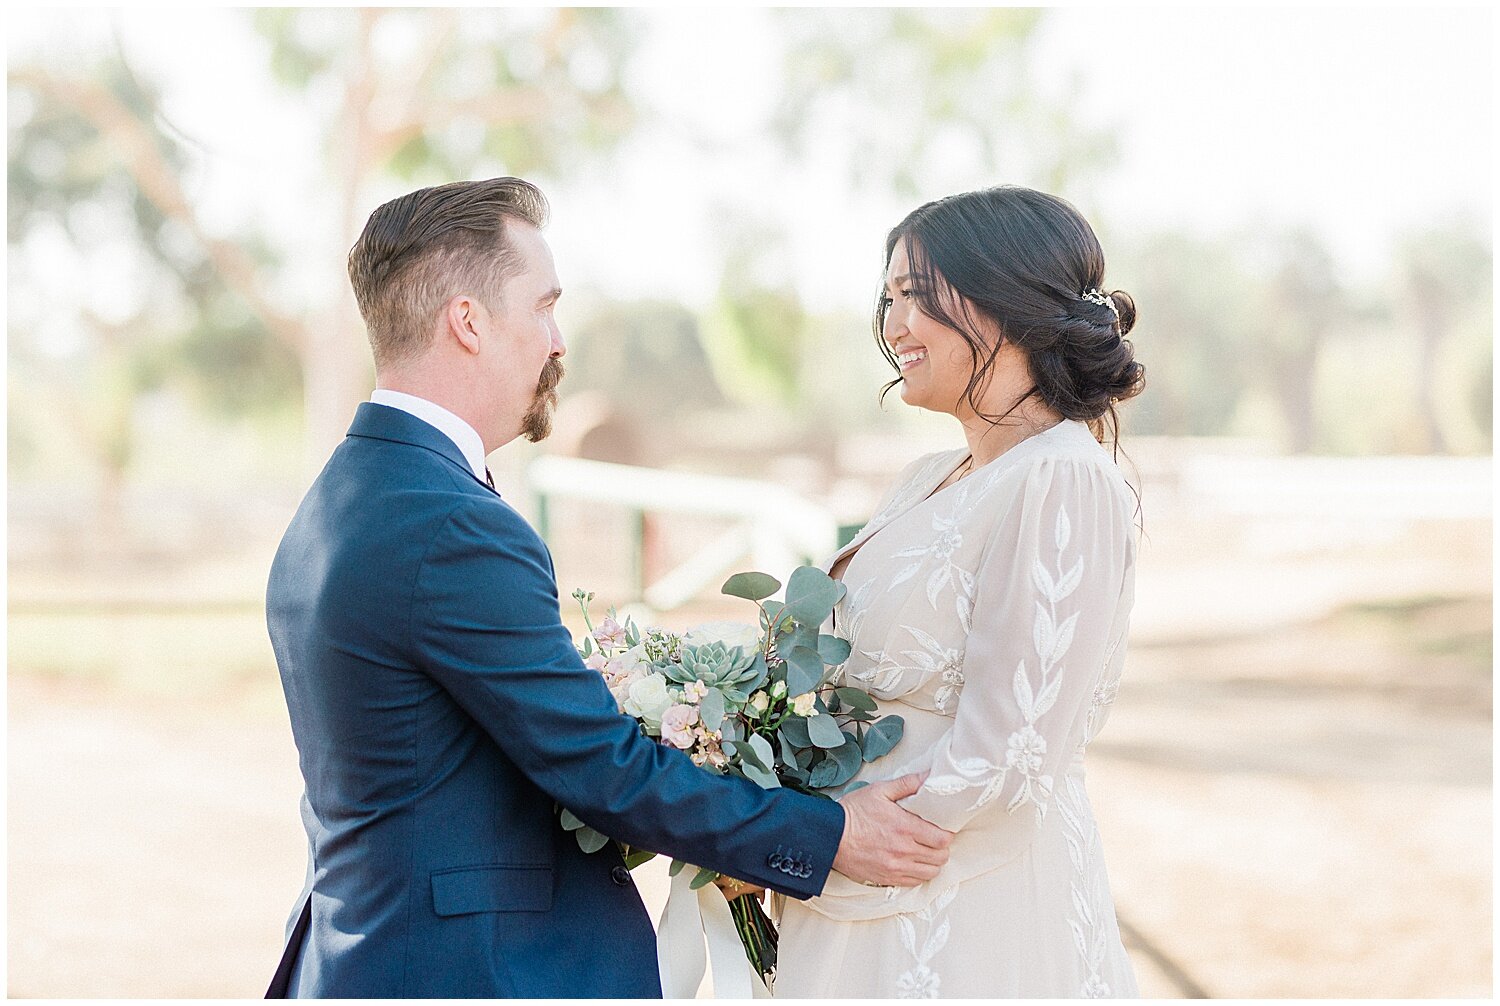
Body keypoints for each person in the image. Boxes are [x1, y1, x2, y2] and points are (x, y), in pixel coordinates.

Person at [264, 177, 953, 998]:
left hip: (370, 949)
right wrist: (826, 832)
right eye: (544, 307)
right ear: (469, 322)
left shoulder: (344, 497)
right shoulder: (449, 523)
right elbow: (601, 770)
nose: (558, 342)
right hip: (466, 970)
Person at [773, 185, 1146, 998]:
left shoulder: (1061, 480)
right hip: (858, 887)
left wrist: (833, 842)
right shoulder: (922, 480)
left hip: (958, 908)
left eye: (917, 296)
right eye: (889, 298)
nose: (893, 325)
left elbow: (1011, 751)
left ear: (1005, 301)